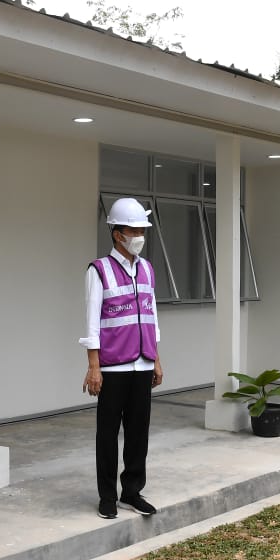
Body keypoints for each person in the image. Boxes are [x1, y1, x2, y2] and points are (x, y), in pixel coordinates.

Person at [82, 197, 164, 519]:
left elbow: (152, 315)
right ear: (118, 234)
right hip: (113, 367)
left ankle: (132, 492)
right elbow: (91, 322)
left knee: (138, 432)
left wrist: (156, 358)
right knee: (107, 434)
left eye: (143, 229)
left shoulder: (146, 269)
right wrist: (93, 367)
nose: (140, 236)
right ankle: (107, 497)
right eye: (135, 229)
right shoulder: (99, 270)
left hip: (142, 364)